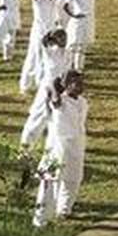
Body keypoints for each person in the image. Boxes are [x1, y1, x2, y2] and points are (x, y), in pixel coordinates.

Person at [33, 71, 87, 227]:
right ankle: (41, 219)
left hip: (77, 144)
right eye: (77, 84)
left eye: (82, 83)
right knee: (50, 180)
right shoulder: (59, 101)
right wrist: (57, 86)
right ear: (67, 85)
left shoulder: (83, 102)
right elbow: (53, 95)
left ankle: (64, 210)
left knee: (73, 179)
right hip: (58, 146)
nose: (81, 86)